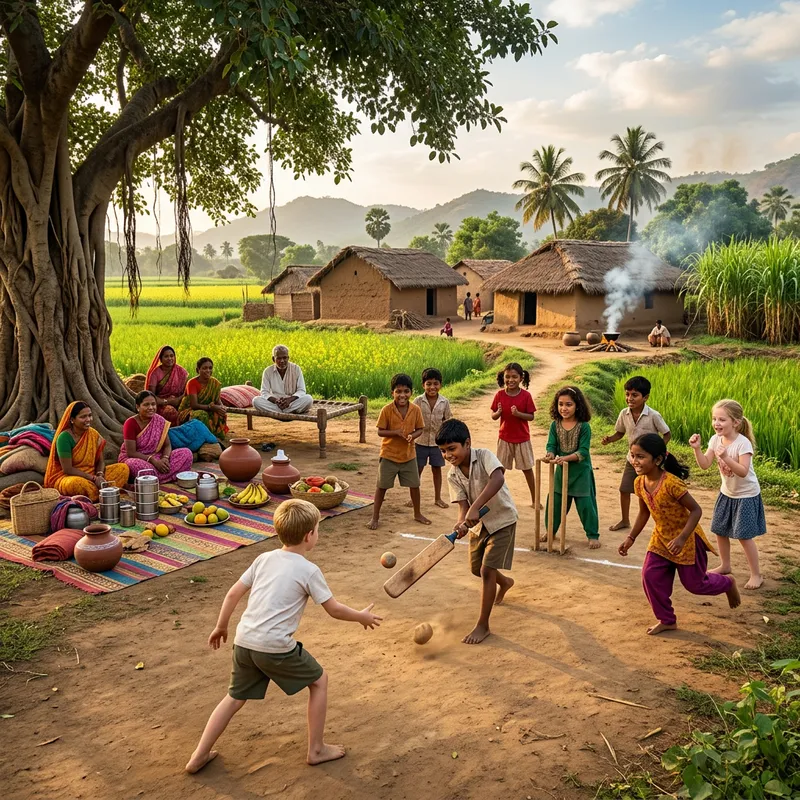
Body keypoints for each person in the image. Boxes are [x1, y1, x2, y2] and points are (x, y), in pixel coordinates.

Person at [185, 499, 382, 774]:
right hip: (274, 646)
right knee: (319, 681)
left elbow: (232, 593)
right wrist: (361, 616)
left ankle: (198, 755)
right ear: (309, 535)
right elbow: (334, 609)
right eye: (317, 529)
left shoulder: (263, 559)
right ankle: (316, 750)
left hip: (245, 641)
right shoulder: (309, 570)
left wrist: (221, 626)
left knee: (234, 697)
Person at [618, 434, 741, 635]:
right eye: (633, 455)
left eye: (640, 456)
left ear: (657, 459)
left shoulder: (671, 483)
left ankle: (727, 583)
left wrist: (682, 537)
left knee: (695, 585)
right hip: (661, 538)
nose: (635, 461)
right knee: (650, 576)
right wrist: (630, 538)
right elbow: (644, 512)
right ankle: (667, 620)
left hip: (687, 539)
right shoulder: (639, 482)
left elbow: (696, 510)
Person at [436, 419, 517, 645]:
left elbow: (498, 478)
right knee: (476, 569)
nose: (448, 455)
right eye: (443, 451)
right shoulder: (452, 475)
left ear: (467, 443)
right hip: (479, 527)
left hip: (502, 520)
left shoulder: (484, 456)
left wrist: (475, 506)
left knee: (486, 570)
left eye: (452, 448)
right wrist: (461, 522)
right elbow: (463, 506)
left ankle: (483, 625)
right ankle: (505, 582)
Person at [689, 399, 766, 590]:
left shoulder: (743, 444)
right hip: (727, 493)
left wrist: (724, 457)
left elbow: (743, 471)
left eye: (722, 420)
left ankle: (756, 575)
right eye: (714, 419)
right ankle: (725, 565)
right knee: (720, 530)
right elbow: (705, 464)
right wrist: (697, 449)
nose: (716, 423)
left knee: (744, 536)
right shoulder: (715, 439)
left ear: (736, 422)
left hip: (746, 496)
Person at [601, 376, 671, 532]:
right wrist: (609, 439)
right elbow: (620, 433)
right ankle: (625, 520)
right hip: (632, 460)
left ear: (645, 397)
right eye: (627, 394)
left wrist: (657, 450)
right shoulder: (624, 414)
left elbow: (667, 434)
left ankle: (661, 522)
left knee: (649, 493)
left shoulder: (653, 415)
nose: (629, 398)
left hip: (650, 463)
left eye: (634, 395)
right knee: (624, 489)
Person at [367, 373, 429, 530]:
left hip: (409, 455)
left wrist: (412, 436)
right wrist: (395, 432)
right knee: (381, 487)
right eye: (398, 391)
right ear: (392, 393)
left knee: (414, 486)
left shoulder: (415, 410)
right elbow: (380, 431)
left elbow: (420, 429)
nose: (402, 395)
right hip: (388, 455)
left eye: (406, 391)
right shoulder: (386, 410)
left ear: (411, 392)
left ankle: (417, 513)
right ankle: (375, 517)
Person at [544, 387, 600, 549]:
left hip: (581, 473)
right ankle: (550, 531)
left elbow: (583, 452)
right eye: (560, 404)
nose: (564, 408)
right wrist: (550, 454)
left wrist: (565, 458)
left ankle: (592, 535)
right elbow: (551, 445)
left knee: (586, 505)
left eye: (568, 404)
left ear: (577, 406)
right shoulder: (555, 425)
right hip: (562, 471)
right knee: (554, 502)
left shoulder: (584, 427)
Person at [44, 402, 129, 501]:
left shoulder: (93, 434)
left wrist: (100, 475)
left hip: (93, 474)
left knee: (123, 469)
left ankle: (97, 492)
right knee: (77, 484)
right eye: (83, 417)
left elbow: (100, 461)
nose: (88, 419)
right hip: (70, 477)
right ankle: (104, 492)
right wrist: (93, 478)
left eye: (89, 415)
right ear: (72, 420)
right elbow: (67, 469)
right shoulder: (64, 438)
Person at [119, 391, 194, 482]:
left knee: (186, 453)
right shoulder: (130, 423)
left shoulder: (159, 420)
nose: (151, 408)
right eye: (146, 405)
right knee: (134, 464)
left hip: (158, 457)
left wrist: (165, 458)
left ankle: (154, 478)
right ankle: (170, 476)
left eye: (153, 404)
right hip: (139, 459)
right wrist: (153, 461)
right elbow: (131, 453)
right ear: (138, 407)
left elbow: (167, 445)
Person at [491, 362, 537, 507]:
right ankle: (493, 500)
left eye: (514, 377)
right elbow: (493, 416)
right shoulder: (499, 395)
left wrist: (518, 414)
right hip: (504, 438)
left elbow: (531, 416)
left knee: (527, 469)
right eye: (507, 377)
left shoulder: (526, 396)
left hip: (522, 438)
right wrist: (498, 412)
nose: (511, 380)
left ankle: (535, 500)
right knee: (500, 471)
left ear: (521, 378)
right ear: (503, 377)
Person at [412, 368, 452, 509]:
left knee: (437, 469)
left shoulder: (444, 402)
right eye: (428, 384)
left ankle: (438, 498)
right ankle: (413, 498)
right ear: (423, 385)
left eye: (436, 384)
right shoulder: (418, 401)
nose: (432, 387)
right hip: (420, 441)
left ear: (440, 384)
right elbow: (411, 419)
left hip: (437, 443)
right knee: (417, 470)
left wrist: (447, 440)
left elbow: (447, 421)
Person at [253, 345, 313, 414]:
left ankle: (280, 412)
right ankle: (288, 411)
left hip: (292, 402)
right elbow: (264, 392)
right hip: (275, 404)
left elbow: (301, 390)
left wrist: (289, 400)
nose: (282, 361)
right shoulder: (267, 371)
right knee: (256, 401)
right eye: (279, 358)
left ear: (288, 358)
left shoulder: (296, 369)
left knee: (308, 399)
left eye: (284, 358)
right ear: (273, 359)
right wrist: (276, 401)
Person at [178, 357, 228, 440]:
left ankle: (215, 435)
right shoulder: (192, 383)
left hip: (209, 408)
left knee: (220, 413)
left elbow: (217, 400)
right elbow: (194, 405)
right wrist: (210, 407)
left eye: (210, 368)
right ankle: (204, 437)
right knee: (201, 415)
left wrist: (222, 407)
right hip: (189, 411)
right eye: (204, 368)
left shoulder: (214, 383)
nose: (208, 370)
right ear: (198, 370)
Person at [145, 345, 188, 425]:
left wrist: (177, 400)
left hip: (179, 401)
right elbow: (151, 396)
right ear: (160, 359)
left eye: (172, 356)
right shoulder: (155, 373)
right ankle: (170, 431)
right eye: (166, 356)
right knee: (170, 412)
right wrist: (167, 401)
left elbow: (186, 392)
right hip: (161, 404)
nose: (169, 358)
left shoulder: (181, 371)